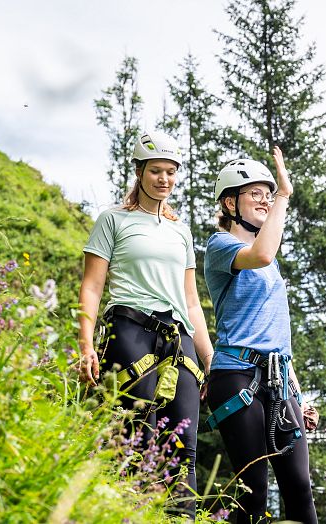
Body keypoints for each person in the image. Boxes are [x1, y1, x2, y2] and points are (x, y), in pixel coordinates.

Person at [77, 130, 214, 515]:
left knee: (182, 444)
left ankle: (181, 520)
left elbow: (191, 301)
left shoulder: (180, 230)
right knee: (132, 438)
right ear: (139, 171)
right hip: (129, 332)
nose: (164, 179)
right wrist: (86, 345)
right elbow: (92, 287)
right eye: (156, 171)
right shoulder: (112, 220)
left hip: (178, 341)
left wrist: (209, 358)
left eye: (171, 172)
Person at [203, 147, 318, 524]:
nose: (265, 200)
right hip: (236, 375)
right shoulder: (220, 246)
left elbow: (278, 338)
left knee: (300, 488)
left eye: (268, 194)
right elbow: (262, 254)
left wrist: (299, 396)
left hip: (278, 378)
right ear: (229, 202)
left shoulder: (271, 264)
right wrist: (285, 193)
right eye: (256, 193)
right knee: (252, 491)